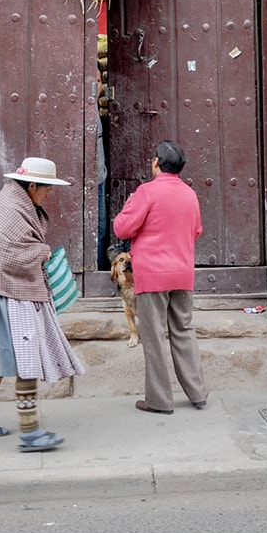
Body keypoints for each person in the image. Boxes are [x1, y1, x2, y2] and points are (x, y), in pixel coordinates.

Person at [0, 156, 85, 451]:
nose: (48, 195)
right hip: (9, 291)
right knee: (26, 356)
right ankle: (30, 432)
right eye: (47, 190)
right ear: (31, 186)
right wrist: (42, 253)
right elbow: (7, 255)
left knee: (4, 356)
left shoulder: (15, 202)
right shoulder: (13, 209)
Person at [112, 140, 208, 415]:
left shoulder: (147, 192)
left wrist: (131, 205)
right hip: (182, 272)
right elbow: (197, 230)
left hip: (152, 275)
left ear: (156, 163)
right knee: (184, 331)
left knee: (154, 337)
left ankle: (159, 400)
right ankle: (198, 393)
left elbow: (122, 228)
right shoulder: (190, 194)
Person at [96, 62, 109, 268]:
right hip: (92, 179)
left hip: (99, 176)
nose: (94, 85)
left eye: (98, 81)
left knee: (102, 228)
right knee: (98, 228)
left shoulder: (96, 111)